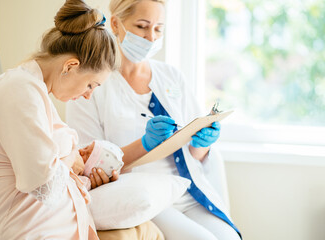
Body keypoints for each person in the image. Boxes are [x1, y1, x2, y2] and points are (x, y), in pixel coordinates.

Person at [66, 0, 242, 239]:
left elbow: (195, 154)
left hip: (188, 191)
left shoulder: (171, 76)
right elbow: (87, 163)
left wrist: (202, 144)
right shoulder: (93, 85)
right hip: (147, 195)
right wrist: (144, 144)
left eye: (159, 29)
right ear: (116, 24)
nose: (151, 37)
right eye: (142, 26)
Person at [0, 0, 120, 239]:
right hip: (14, 229)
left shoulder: (36, 93)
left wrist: (85, 172)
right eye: (91, 84)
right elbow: (44, 186)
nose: (88, 95)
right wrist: (70, 159)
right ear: (70, 65)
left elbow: (43, 166)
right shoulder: (18, 89)